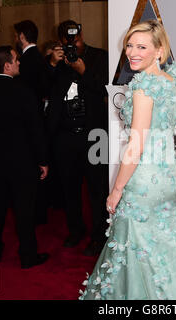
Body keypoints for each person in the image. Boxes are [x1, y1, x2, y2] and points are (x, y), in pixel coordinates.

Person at [79, 20, 176, 300]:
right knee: (170, 248)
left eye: (141, 46)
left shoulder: (143, 88)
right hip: (169, 177)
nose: (132, 52)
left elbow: (136, 144)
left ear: (159, 51)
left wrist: (116, 190)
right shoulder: (173, 82)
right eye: (129, 45)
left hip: (144, 182)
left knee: (138, 251)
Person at [0, 46, 49, 269]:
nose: (19, 63)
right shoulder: (23, 92)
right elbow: (36, 130)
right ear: (7, 65)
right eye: (16, 60)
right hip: (21, 164)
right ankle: (28, 256)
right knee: (24, 211)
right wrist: (43, 160)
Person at [47, 20, 109, 256]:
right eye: (68, 41)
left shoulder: (100, 57)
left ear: (82, 35)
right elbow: (43, 88)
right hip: (64, 136)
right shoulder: (57, 60)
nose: (74, 44)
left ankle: (98, 235)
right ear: (61, 41)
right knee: (69, 187)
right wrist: (52, 64)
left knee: (97, 188)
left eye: (77, 39)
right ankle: (75, 230)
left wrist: (83, 71)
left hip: (95, 133)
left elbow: (105, 91)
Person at [14, 20, 50, 225]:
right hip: (38, 116)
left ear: (21, 36)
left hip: (30, 120)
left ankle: (36, 212)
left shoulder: (27, 60)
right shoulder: (38, 57)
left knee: (34, 167)